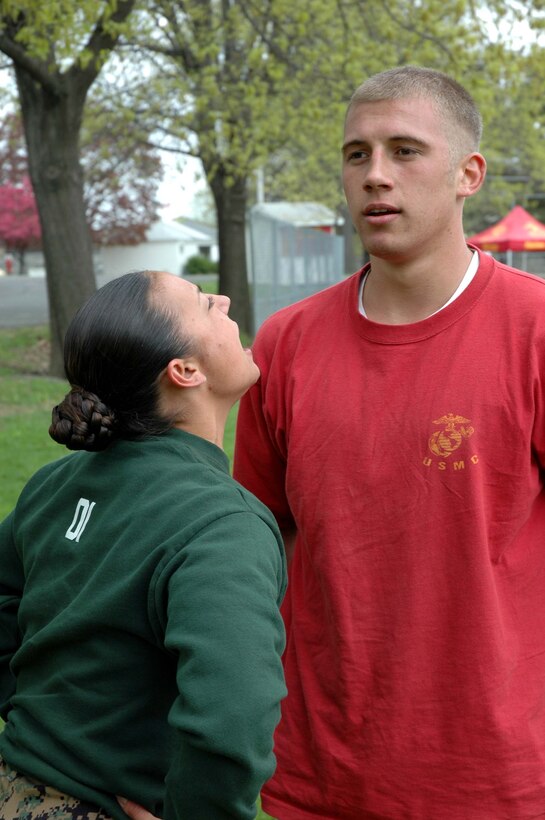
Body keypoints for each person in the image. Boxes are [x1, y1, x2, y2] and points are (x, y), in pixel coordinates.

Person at [232, 65, 545, 819]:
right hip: (318, 769)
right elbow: (248, 548)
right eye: (356, 154)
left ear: (467, 173)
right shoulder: (286, 343)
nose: (375, 175)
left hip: (493, 777)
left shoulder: (532, 331)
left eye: (404, 151)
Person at [0, 270, 287, 820]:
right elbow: (230, 716)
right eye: (205, 304)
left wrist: (44, 722)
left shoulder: (53, 484)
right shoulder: (223, 523)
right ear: (185, 371)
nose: (223, 299)